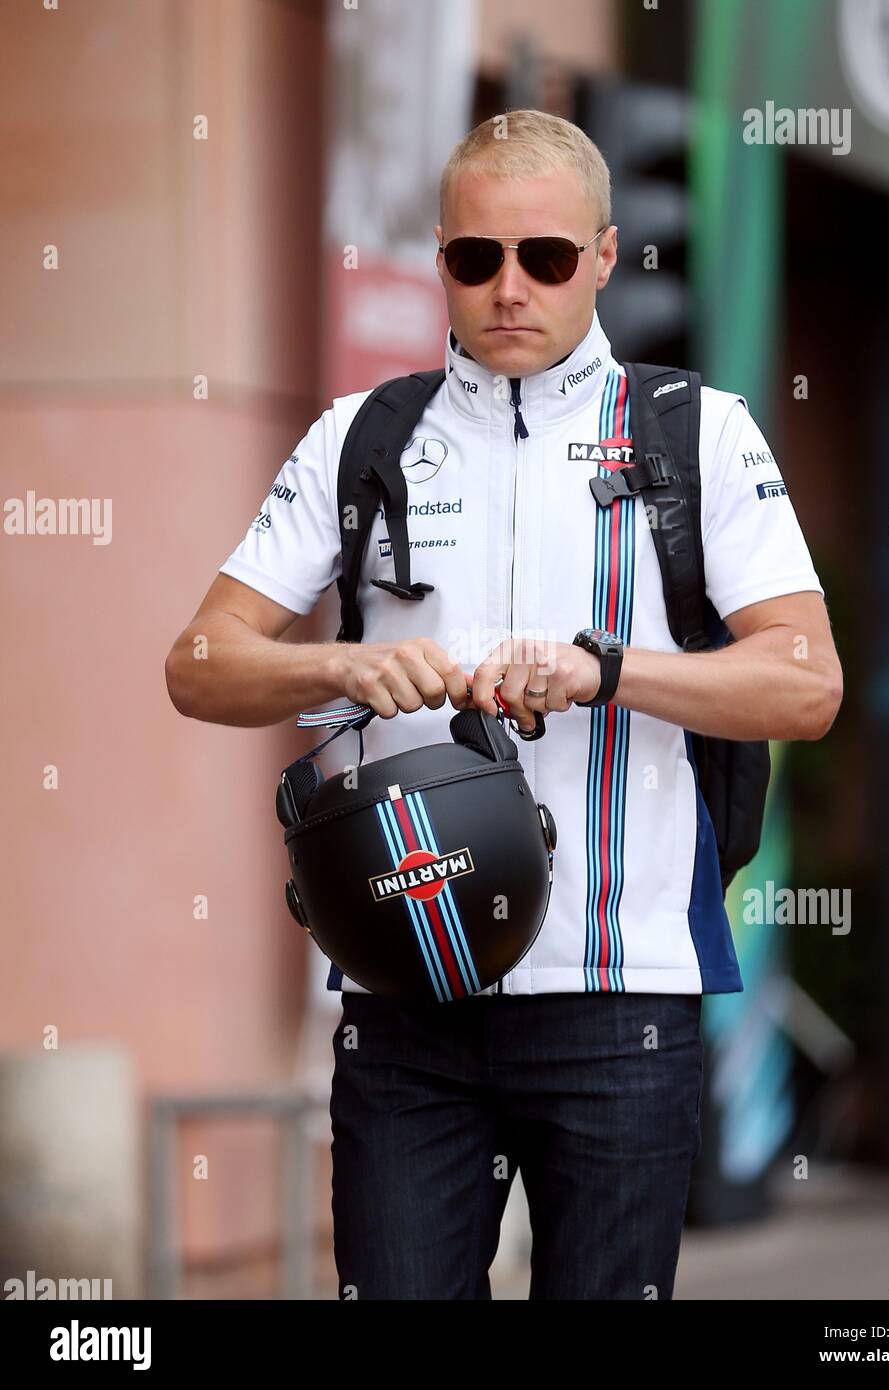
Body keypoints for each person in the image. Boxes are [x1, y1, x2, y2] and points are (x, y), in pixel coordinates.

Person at [165, 109, 843, 1300]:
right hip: (404, 994)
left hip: (623, 999)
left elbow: (805, 682)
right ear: (440, 258)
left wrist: (610, 669)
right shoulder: (359, 439)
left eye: (543, 256)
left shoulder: (697, 434)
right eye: (475, 258)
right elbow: (201, 662)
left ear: (604, 255)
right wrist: (338, 668)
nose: (508, 288)